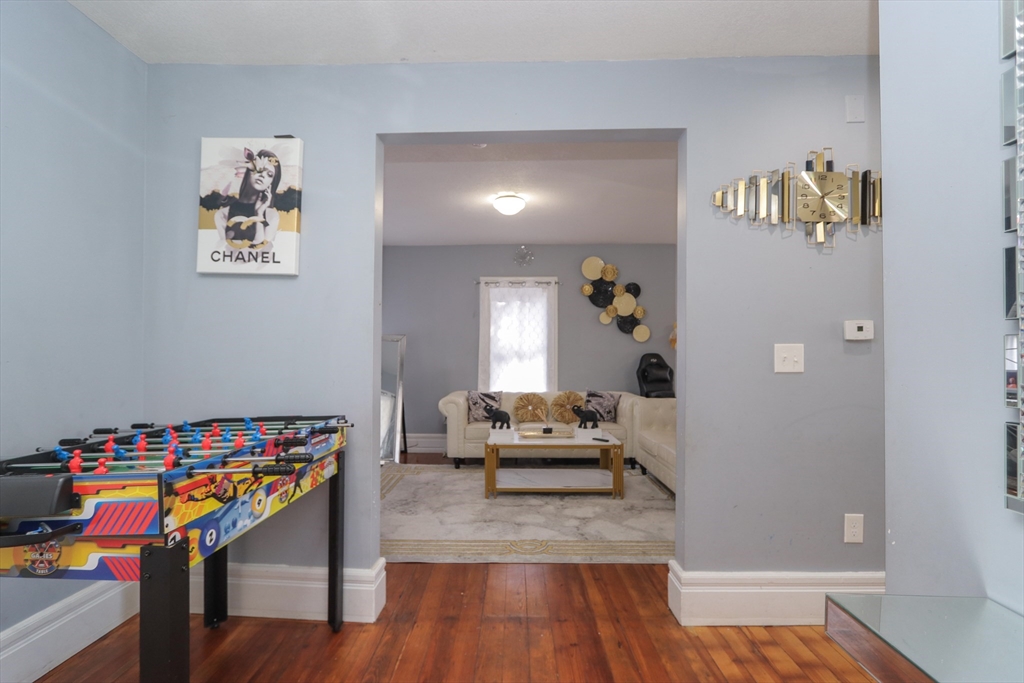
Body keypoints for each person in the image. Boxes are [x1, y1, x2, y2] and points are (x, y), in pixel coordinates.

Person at [214, 148, 281, 250]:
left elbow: (261, 250)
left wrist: (259, 214)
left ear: (272, 183)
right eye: (260, 169)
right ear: (249, 170)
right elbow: (225, 251)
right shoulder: (222, 214)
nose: (262, 175)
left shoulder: (271, 216)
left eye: (269, 175)